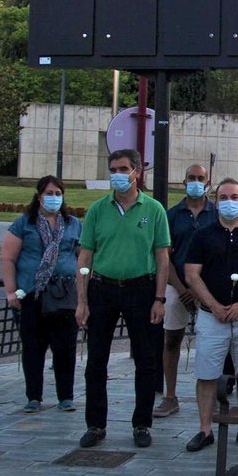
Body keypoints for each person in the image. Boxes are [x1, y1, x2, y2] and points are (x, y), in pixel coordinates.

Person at [76, 149, 171, 449]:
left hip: (141, 289)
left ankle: (142, 423)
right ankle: (95, 424)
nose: (117, 175)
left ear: (137, 171)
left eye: (123, 169)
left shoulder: (153, 209)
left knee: (146, 360)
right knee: (96, 361)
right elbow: (85, 256)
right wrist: (82, 300)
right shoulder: (98, 209)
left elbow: (162, 257)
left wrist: (159, 299)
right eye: (113, 169)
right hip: (102, 289)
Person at [181, 178, 238, 452]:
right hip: (212, 316)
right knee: (207, 374)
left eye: (234, 197)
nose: (229, 202)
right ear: (216, 202)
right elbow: (192, 274)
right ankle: (205, 429)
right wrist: (213, 305)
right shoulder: (202, 235)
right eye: (223, 197)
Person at [1, 175, 82, 413]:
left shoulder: (73, 224)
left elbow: (83, 255)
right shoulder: (24, 224)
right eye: (49, 193)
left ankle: (66, 396)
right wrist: (10, 292)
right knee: (33, 347)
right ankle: (34, 397)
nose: (54, 198)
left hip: (64, 294)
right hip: (32, 294)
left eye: (58, 194)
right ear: (39, 196)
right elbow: (8, 258)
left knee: (65, 348)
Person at [155, 164, 217, 419]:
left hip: (209, 288)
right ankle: (170, 396)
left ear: (208, 182)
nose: (196, 182)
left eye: (200, 178)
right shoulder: (171, 215)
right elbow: (164, 256)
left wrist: (197, 288)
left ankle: (212, 398)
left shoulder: (216, 213)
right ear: (184, 181)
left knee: (212, 343)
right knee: (171, 340)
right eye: (191, 177)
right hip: (176, 285)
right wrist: (182, 289)